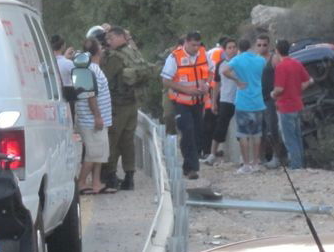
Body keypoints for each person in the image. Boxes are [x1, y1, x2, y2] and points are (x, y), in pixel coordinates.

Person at [101, 26, 153, 191]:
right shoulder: (133, 52)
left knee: (113, 140)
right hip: (132, 102)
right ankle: (129, 176)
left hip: (118, 104)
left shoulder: (115, 57)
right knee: (128, 141)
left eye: (110, 38)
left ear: (119, 37)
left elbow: (105, 79)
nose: (108, 42)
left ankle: (110, 175)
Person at [160, 31, 210, 179]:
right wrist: (187, 90)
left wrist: (206, 84)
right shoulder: (174, 57)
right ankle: (192, 168)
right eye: (193, 45)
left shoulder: (203, 54)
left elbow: (211, 70)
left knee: (197, 132)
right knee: (187, 130)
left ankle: (188, 164)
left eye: (198, 45)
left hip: (198, 101)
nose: (196, 48)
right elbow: (166, 80)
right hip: (181, 101)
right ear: (186, 43)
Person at [74, 39, 113, 195]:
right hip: (92, 120)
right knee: (93, 153)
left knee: (100, 152)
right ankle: (81, 182)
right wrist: (97, 116)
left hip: (93, 118)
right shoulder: (93, 71)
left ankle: (96, 182)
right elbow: (91, 96)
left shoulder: (87, 68)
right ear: (98, 51)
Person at [224, 37, 267, 173]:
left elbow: (224, 71)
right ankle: (256, 163)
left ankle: (246, 164)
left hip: (243, 101)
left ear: (239, 48)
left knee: (243, 134)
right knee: (257, 134)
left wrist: (237, 80)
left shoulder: (237, 60)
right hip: (258, 101)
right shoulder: (260, 60)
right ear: (250, 47)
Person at [271, 39, 314, 169]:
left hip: (285, 106)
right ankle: (300, 163)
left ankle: (296, 165)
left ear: (277, 51)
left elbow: (280, 89)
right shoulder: (296, 63)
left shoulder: (280, 67)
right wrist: (299, 88)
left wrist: (272, 94)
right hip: (297, 105)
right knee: (297, 136)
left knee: (289, 138)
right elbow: (310, 80)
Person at [205, 38, 238, 165]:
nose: (232, 50)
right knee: (220, 126)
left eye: (234, 47)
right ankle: (213, 153)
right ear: (224, 50)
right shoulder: (220, 64)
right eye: (229, 47)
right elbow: (216, 84)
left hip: (241, 98)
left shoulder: (240, 62)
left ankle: (241, 156)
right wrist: (213, 102)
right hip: (225, 99)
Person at [256, 34, 286, 169]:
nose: (262, 47)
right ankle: (260, 158)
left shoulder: (274, 59)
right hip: (257, 99)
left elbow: (281, 77)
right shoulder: (255, 60)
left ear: (269, 45)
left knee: (272, 128)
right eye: (259, 45)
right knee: (259, 130)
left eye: (264, 45)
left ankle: (277, 157)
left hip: (270, 99)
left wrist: (277, 95)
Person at [51, 34, 77, 124]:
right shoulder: (68, 63)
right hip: (67, 99)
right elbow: (76, 80)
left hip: (52, 99)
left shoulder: (47, 63)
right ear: (63, 46)